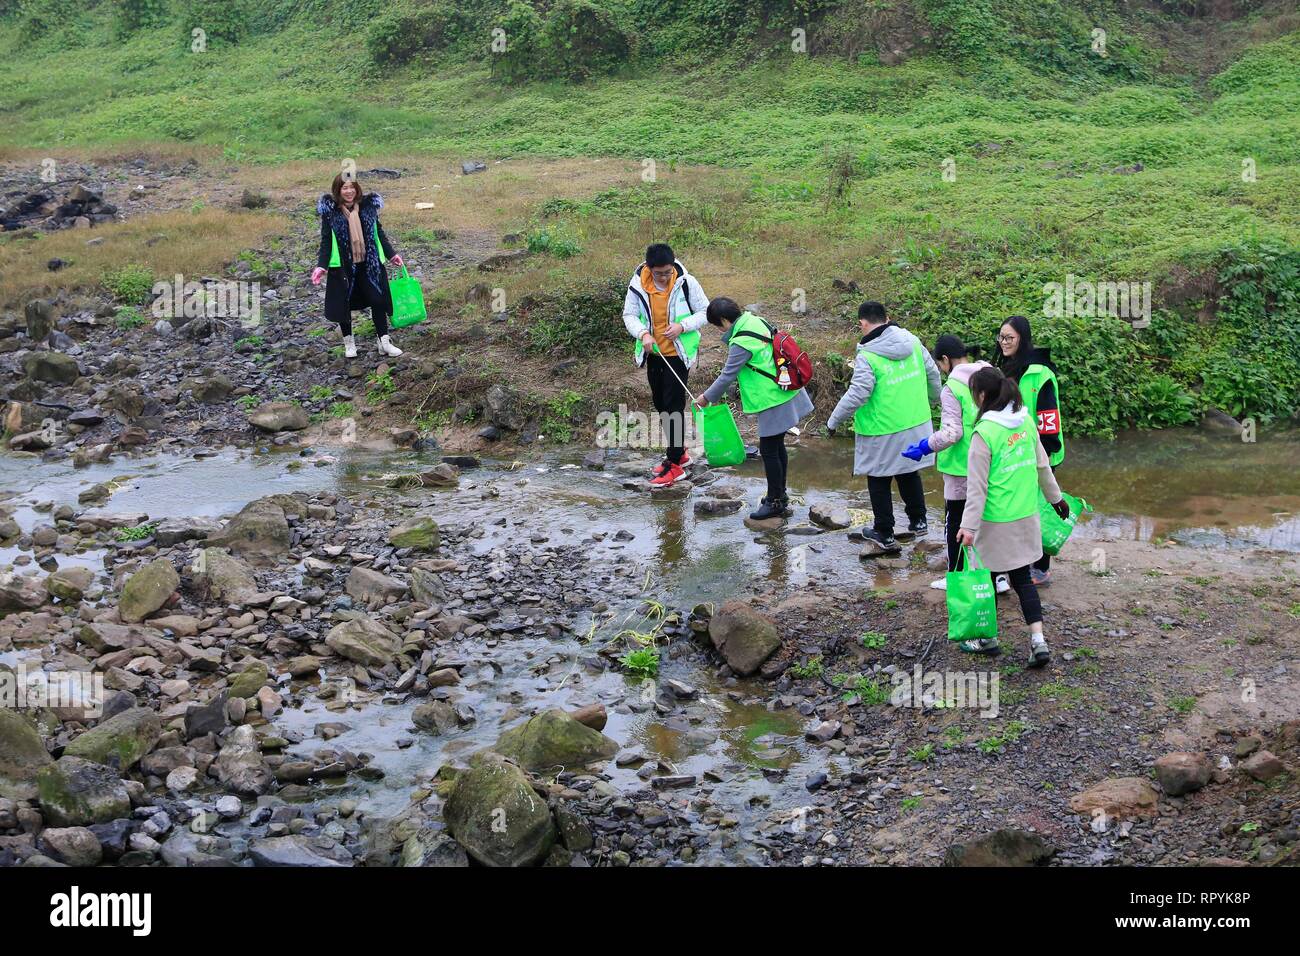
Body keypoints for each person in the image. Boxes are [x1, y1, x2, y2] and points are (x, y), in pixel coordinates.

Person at [955, 367, 1070, 665]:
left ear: (981, 396)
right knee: (1023, 580)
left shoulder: (984, 433)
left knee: (989, 578)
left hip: (995, 522)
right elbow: (1043, 467)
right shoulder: (1025, 421)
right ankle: (1038, 641)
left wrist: (967, 527)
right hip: (1026, 516)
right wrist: (1056, 500)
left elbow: (977, 489)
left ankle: (988, 638)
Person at [826, 301, 940, 552]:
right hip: (917, 422)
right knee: (909, 470)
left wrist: (833, 421)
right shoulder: (912, 341)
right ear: (888, 318)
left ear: (863, 324)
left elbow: (858, 394)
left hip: (882, 428)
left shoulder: (868, 355)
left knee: (878, 478)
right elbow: (933, 373)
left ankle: (884, 532)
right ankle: (918, 521)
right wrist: (934, 399)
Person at [696, 297, 813, 520]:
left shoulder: (740, 341)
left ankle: (775, 501)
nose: (718, 330)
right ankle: (780, 495)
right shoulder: (755, 321)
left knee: (769, 450)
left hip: (772, 398)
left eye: (717, 325)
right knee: (777, 448)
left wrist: (705, 398)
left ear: (724, 320)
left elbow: (727, 375)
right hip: (784, 388)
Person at [901, 335, 991, 590]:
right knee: (986, 520)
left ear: (945, 360)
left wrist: (924, 446)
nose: (941, 370)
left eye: (940, 365)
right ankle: (997, 577)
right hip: (991, 462)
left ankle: (956, 577)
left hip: (961, 466)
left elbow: (953, 433)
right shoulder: (990, 374)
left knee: (957, 521)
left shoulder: (953, 388)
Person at [621, 243, 709, 488]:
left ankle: (675, 466)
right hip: (654, 353)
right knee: (660, 403)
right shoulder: (638, 285)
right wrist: (643, 334)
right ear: (649, 269)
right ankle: (679, 452)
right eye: (659, 273)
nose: (664, 277)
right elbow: (628, 315)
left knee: (673, 406)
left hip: (678, 354)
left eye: (668, 272)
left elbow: (705, 312)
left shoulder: (686, 282)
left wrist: (683, 326)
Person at [995, 315, 1063, 586]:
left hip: (1041, 450)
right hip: (1015, 451)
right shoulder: (1008, 368)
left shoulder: (1039, 373)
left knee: (1041, 508)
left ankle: (1042, 568)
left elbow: (1048, 415)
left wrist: (1044, 453)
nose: (1004, 342)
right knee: (1020, 508)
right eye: (1001, 337)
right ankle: (1020, 564)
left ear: (1022, 338)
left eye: (1009, 337)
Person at [311, 174, 404, 358]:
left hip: (368, 265)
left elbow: (380, 233)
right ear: (338, 190)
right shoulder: (331, 213)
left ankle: (383, 341)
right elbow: (326, 241)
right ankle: (349, 344)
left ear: (357, 188)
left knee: (378, 300)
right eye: (344, 188)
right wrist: (321, 266)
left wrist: (391, 254)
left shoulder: (368, 208)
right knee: (343, 304)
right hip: (343, 268)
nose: (349, 191)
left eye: (351, 187)